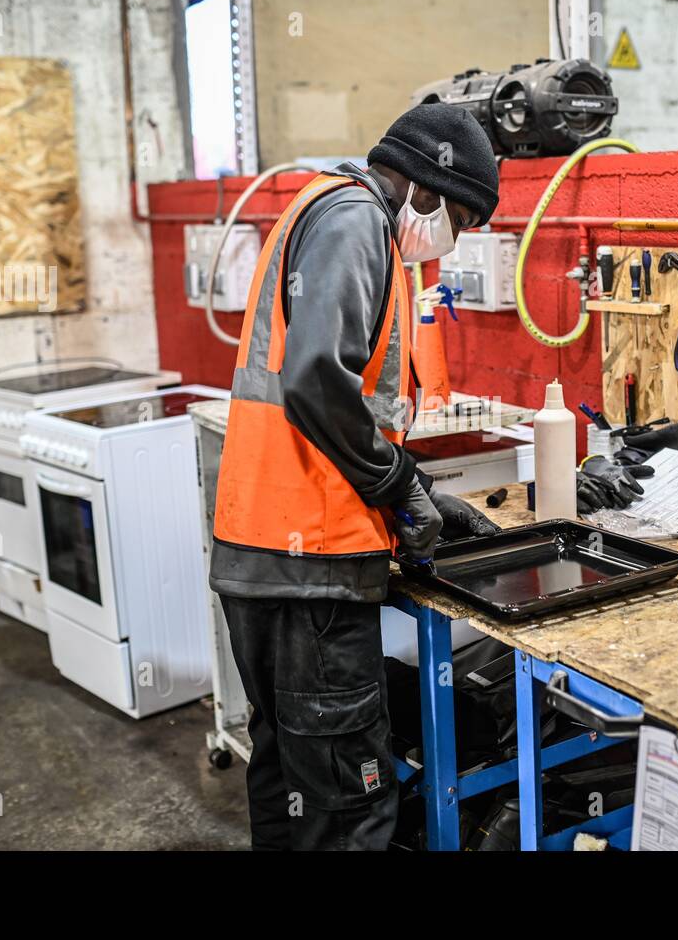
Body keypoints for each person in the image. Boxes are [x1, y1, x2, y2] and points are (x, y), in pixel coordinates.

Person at [209, 104, 504, 850]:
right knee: (350, 803)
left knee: (291, 777)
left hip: (266, 548)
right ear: (426, 190)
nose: (450, 240)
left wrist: (425, 492)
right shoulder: (357, 221)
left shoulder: (324, 205)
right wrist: (396, 486)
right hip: (311, 561)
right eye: (459, 219)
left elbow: (350, 404)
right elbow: (315, 380)